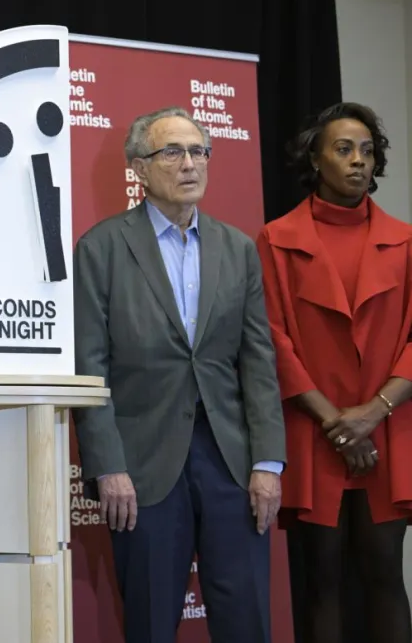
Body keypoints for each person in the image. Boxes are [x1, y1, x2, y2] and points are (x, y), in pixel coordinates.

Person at [72, 106, 286, 643]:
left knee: (246, 619)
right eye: (172, 151)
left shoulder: (237, 248)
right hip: (142, 468)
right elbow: (88, 367)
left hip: (231, 464)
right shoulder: (101, 249)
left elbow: (258, 360)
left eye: (198, 152)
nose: (189, 163)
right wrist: (108, 467)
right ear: (139, 169)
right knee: (149, 620)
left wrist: (267, 461)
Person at [256, 102, 412, 643]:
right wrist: (337, 424)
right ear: (315, 160)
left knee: (385, 577)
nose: (358, 162)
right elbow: (271, 341)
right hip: (313, 432)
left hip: (388, 430)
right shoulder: (276, 240)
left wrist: (373, 413)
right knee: (320, 582)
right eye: (344, 149)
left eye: (368, 151)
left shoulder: (406, 240)